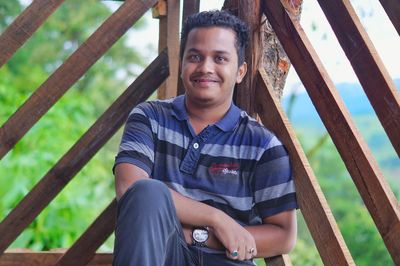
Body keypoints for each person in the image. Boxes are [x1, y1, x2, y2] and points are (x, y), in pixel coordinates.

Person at [112, 10, 298, 266]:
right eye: (195, 57)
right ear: (182, 65)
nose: (205, 67)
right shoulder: (150, 117)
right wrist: (216, 219)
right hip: (162, 256)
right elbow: (130, 187)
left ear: (240, 71)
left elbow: (283, 236)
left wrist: (200, 236)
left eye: (220, 58)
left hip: (227, 261)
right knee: (147, 191)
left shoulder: (262, 145)